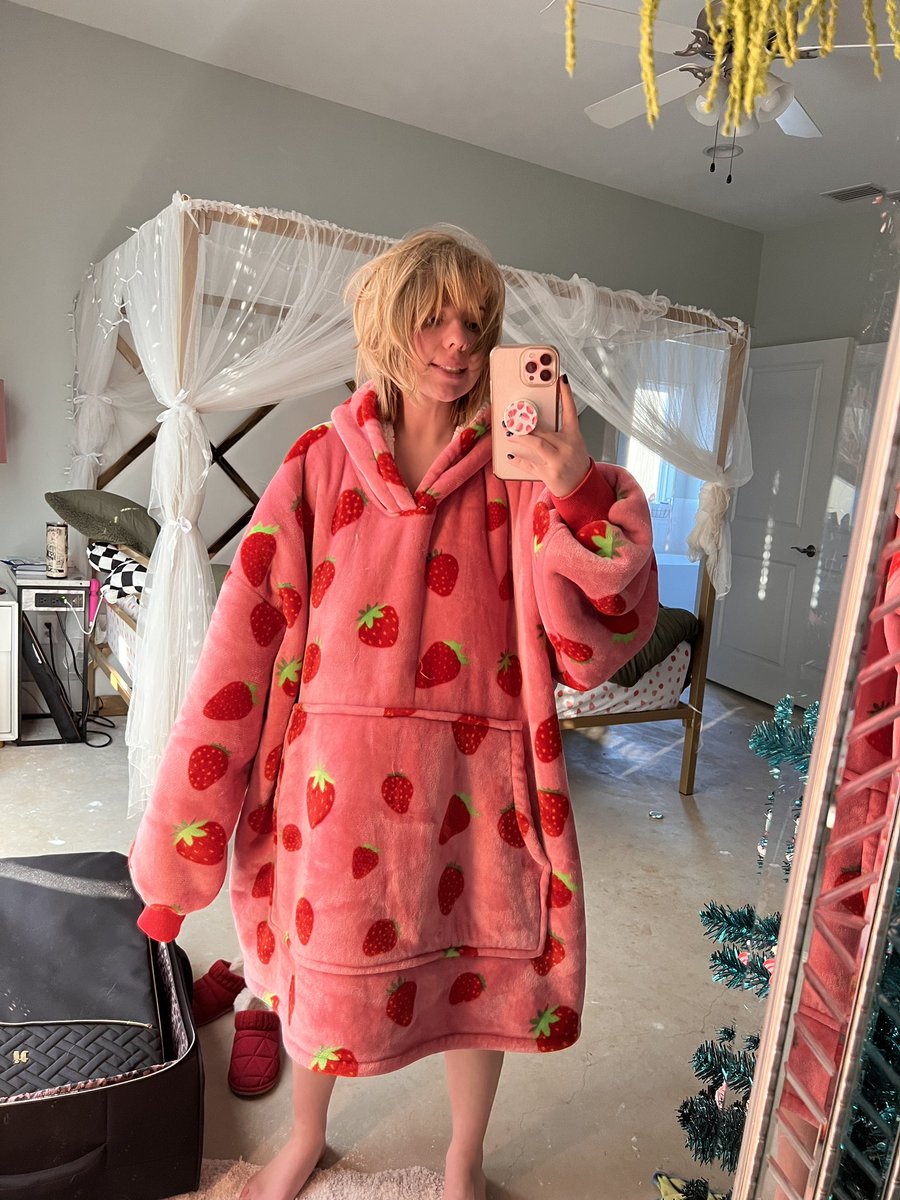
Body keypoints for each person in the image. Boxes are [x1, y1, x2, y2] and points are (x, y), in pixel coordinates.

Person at [129, 226, 658, 1200]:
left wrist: (577, 489)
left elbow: (602, 643)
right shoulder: (314, 467)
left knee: (480, 971)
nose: (459, 341)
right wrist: (177, 861)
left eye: (477, 322)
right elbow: (237, 662)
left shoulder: (521, 473)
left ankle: (464, 1158)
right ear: (387, 325)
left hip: (479, 788)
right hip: (334, 796)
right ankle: (304, 1138)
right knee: (323, 972)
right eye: (434, 318)